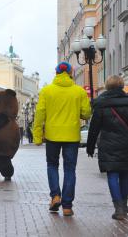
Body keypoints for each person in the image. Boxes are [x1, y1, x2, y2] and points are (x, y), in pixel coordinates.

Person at [33, 62, 91, 216]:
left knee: (52, 165)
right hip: (72, 136)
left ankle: (55, 196)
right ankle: (67, 206)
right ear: (71, 73)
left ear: (56, 73)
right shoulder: (79, 92)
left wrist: (37, 136)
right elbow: (86, 113)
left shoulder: (46, 91)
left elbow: (39, 115)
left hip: (52, 136)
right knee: (70, 169)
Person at [87, 75, 128, 220]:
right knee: (125, 175)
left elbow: (94, 128)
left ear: (107, 86)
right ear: (121, 85)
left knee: (112, 175)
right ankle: (124, 205)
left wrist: (90, 146)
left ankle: (119, 209)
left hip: (108, 145)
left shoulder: (101, 104)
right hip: (126, 145)